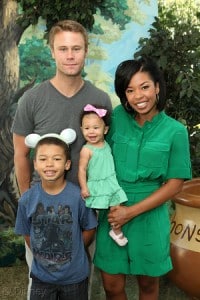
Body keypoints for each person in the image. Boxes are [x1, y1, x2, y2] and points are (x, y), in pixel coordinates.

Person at [12, 19, 112, 298]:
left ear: (86, 51)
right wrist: (28, 202)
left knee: (81, 282)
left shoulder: (100, 99)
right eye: (63, 48)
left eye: (76, 48)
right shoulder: (31, 100)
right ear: (52, 51)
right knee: (41, 283)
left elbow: (105, 154)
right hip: (42, 211)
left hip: (83, 207)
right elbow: (21, 154)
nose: (70, 55)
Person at [93, 57, 192, 300]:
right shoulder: (114, 119)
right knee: (112, 286)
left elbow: (175, 185)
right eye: (130, 90)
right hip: (114, 211)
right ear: (123, 94)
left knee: (148, 287)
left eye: (145, 87)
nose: (138, 96)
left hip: (151, 213)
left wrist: (131, 211)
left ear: (157, 87)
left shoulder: (175, 131)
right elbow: (97, 156)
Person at [15, 129, 98, 300]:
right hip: (41, 278)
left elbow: (89, 228)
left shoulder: (78, 197)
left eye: (57, 159)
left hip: (75, 278)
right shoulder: (27, 200)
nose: (50, 164)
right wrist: (42, 252)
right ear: (35, 164)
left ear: (67, 164)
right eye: (43, 159)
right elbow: (27, 234)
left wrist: (73, 247)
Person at [78, 104, 128, 246]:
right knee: (92, 213)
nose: (91, 132)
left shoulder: (106, 144)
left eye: (96, 128)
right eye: (87, 128)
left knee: (116, 208)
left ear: (105, 130)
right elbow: (81, 170)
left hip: (110, 182)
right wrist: (83, 187)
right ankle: (83, 234)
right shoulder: (86, 150)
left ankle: (116, 230)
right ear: (82, 130)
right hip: (96, 184)